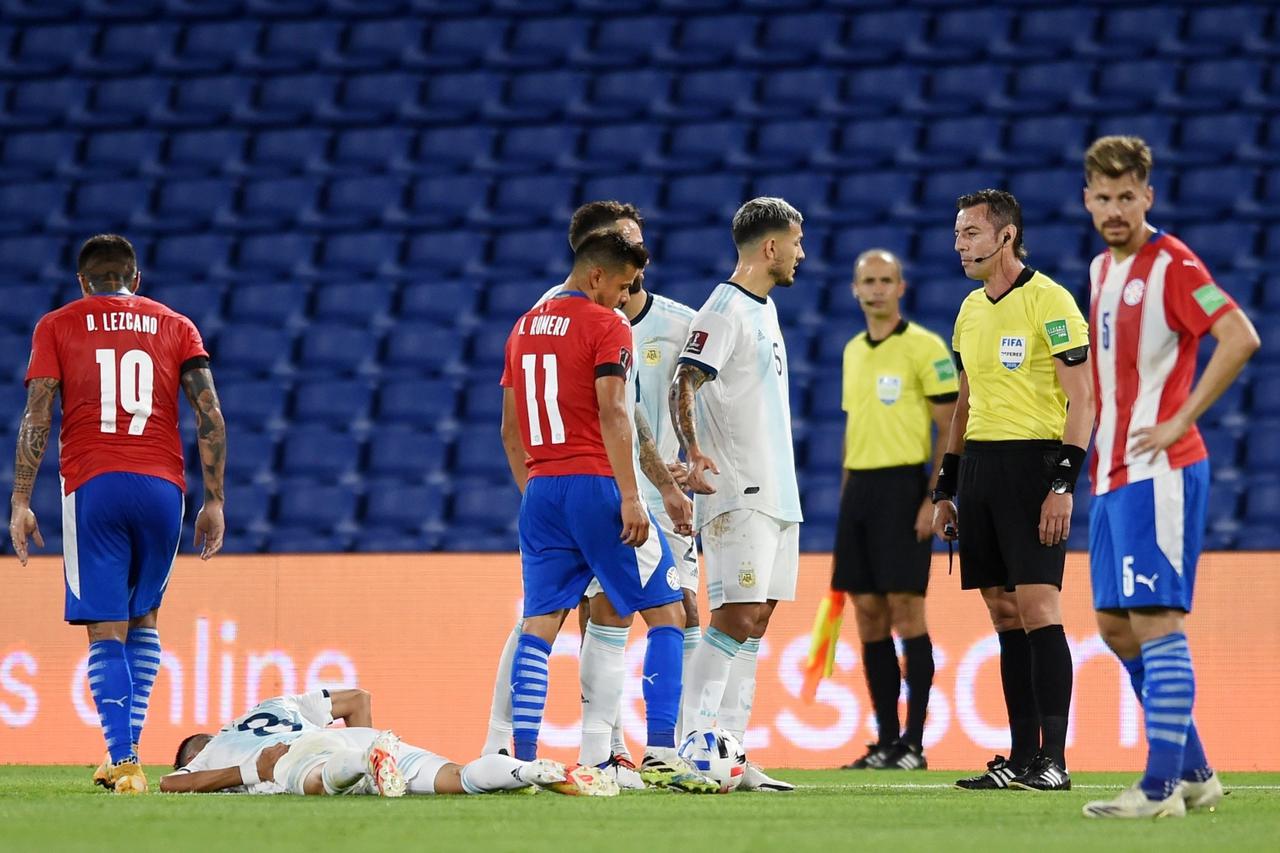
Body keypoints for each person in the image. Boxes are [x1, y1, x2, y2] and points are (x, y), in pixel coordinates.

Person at [482, 202, 703, 790]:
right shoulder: (609, 326)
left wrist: (535, 492)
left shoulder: (524, 325)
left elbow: (508, 429)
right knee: (669, 613)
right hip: (596, 485)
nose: (626, 297)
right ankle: (660, 749)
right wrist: (631, 496)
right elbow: (615, 412)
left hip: (542, 488)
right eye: (624, 285)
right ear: (596, 273)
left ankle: (522, 757)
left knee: (540, 623)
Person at [8, 234, 226, 795]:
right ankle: (124, 758)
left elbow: (38, 415)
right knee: (145, 617)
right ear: (136, 277)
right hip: (163, 487)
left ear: (83, 282)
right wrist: (215, 499)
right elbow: (210, 414)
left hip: (94, 483)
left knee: (105, 625)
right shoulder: (177, 325)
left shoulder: (56, 325)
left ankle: (125, 759)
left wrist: (20, 500)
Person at [1078, 137, 1257, 819]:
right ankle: (1196, 772)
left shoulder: (1173, 263)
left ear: (1148, 196)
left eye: (1129, 196)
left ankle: (1158, 790)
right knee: (1114, 626)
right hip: (1114, 469)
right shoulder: (1099, 269)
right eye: (1104, 197)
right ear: (1088, 199)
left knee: (1155, 619)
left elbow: (1239, 335)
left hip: (1161, 469)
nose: (1116, 209)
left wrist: (1182, 418)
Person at [931, 190, 1094, 792]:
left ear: (1006, 237)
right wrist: (946, 486)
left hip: (1034, 467)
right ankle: (1022, 757)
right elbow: (963, 406)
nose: (959, 245)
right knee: (1003, 613)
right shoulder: (969, 311)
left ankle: (1055, 761)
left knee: (1037, 607)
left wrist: (1062, 484)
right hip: (981, 468)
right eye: (956, 234)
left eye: (970, 233)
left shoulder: (1050, 301)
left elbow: (1084, 400)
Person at [671, 197, 806, 793]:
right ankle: (693, 746)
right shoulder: (723, 308)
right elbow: (685, 380)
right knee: (736, 616)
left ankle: (729, 749)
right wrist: (693, 453)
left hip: (778, 493)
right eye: (796, 243)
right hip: (739, 490)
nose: (802, 254)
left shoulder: (765, 309)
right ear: (771, 247)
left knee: (758, 621)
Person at [833, 249, 957, 771]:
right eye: (869, 281)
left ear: (901, 288)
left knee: (907, 610)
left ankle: (914, 742)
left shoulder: (926, 348)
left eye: (886, 280)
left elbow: (952, 424)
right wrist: (845, 494)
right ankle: (884, 739)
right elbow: (853, 429)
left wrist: (937, 496)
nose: (877, 289)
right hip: (859, 488)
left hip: (906, 487)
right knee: (867, 613)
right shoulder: (851, 351)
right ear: (855, 290)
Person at [159, 688, 613, 797]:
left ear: (193, 754)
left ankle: (364, 762)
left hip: (306, 757)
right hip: (362, 737)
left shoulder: (212, 751)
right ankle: (526, 770)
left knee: (316, 781)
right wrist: (375, 749)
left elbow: (170, 786)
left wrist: (247, 772)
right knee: (457, 777)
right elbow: (358, 698)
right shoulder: (278, 703)